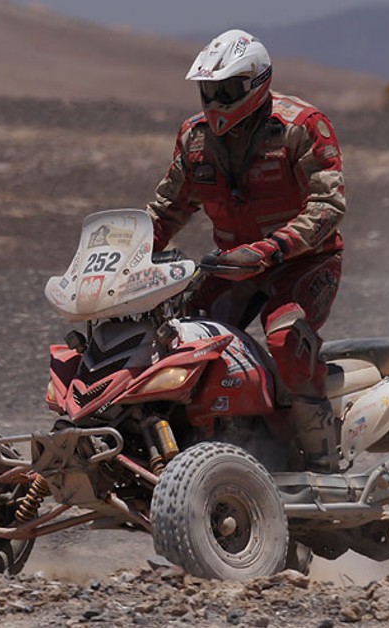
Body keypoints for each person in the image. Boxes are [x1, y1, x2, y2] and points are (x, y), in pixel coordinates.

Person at [145, 29, 347, 471]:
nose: (215, 103)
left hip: (303, 262)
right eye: (208, 91)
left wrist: (274, 249)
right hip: (231, 265)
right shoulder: (194, 139)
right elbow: (166, 210)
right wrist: (130, 252)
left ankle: (321, 459)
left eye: (227, 90)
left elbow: (329, 204)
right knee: (172, 338)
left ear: (257, 83)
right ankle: (199, 442)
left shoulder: (302, 126)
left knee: (285, 337)